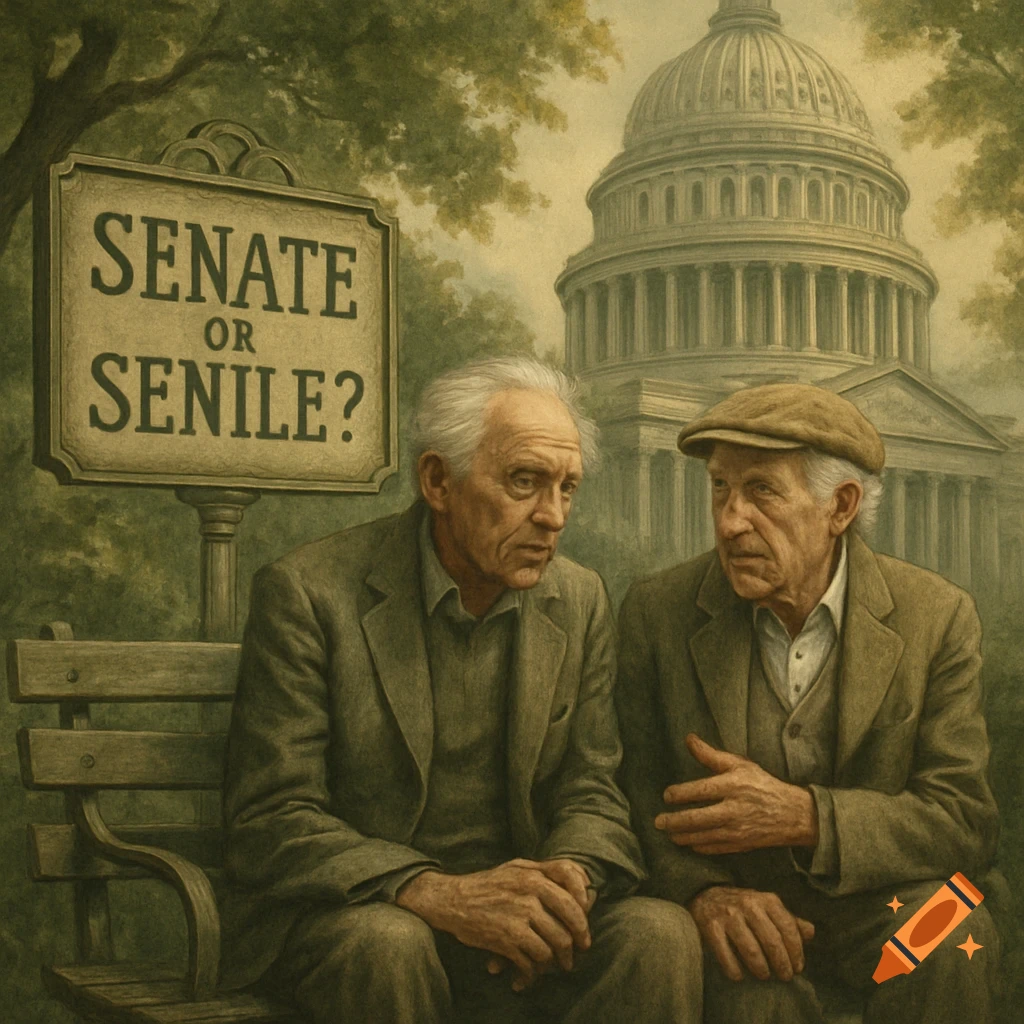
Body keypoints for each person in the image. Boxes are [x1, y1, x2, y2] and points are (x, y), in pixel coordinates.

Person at [220, 356, 702, 1023]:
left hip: (516, 924)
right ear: (437, 480)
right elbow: (271, 818)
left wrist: (567, 884)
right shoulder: (309, 592)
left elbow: (593, 786)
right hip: (360, 916)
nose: (553, 516)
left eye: (567, 488)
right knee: (389, 945)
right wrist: (433, 892)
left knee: (657, 934)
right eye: (525, 482)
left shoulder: (581, 598)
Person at [615, 383, 1001, 1024]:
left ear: (840, 506)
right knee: (752, 999)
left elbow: (964, 822)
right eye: (720, 489)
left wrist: (808, 818)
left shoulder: (937, 617)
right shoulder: (658, 612)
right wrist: (703, 893)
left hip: (881, 914)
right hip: (742, 920)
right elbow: (630, 796)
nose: (731, 520)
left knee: (955, 934)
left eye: (761, 491)